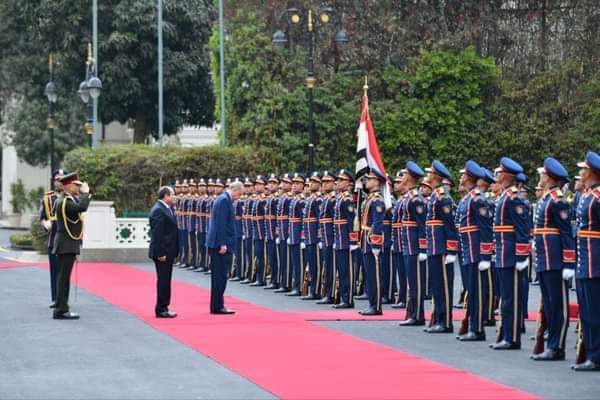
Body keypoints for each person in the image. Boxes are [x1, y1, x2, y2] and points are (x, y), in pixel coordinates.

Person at [530, 157, 574, 361]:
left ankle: (557, 347)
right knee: (549, 305)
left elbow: (566, 234)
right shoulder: (546, 199)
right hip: (545, 260)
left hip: (555, 260)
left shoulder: (558, 201)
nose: (540, 177)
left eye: (542, 174)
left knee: (558, 306)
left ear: (549, 177)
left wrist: (568, 262)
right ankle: (551, 343)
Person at [491, 157, 531, 350]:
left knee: (511, 298)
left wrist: (522, 257)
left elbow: (522, 230)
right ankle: (506, 334)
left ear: (507, 175)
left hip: (511, 256)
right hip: (503, 253)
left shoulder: (513, 198)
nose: (497, 175)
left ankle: (512, 336)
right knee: (505, 298)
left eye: (500, 172)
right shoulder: (505, 196)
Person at [456, 160, 491, 342]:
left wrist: (485, 255)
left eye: (463, 175)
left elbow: (485, 228)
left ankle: (477, 329)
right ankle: (472, 325)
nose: (460, 178)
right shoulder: (468, 198)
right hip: (468, 251)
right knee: (472, 290)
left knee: (477, 292)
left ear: (469, 178)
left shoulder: (477, 199)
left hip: (477, 252)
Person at [571, 151, 600, 371]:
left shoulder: (597, 197)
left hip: (595, 262)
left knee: (595, 312)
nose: (581, 174)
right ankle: (591, 352)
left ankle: (596, 355)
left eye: (584, 170)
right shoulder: (588, 195)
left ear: (592, 172)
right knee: (587, 312)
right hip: (585, 261)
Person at [424, 160, 458, 333]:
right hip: (434, 246)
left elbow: (450, 225)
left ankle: (445, 321)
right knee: (437, 285)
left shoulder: (443, 197)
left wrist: (452, 249)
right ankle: (437, 317)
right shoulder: (435, 195)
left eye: (430, 173)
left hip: (442, 247)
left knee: (444, 285)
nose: (427, 175)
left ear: (436, 176)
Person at [52, 172, 91, 320]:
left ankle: (60, 306)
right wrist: (86, 193)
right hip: (66, 244)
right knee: (63, 278)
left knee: (63, 278)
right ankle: (61, 309)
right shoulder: (65, 201)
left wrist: (83, 195)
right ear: (69, 186)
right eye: (77, 185)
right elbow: (82, 207)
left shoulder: (65, 199)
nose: (79, 187)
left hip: (66, 243)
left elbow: (79, 207)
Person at [398, 161, 427, 326]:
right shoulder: (408, 197)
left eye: (404, 175)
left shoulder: (416, 199)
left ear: (409, 177)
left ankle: (417, 315)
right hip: (408, 246)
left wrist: (423, 248)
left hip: (415, 247)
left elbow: (423, 225)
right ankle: (412, 313)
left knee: (416, 282)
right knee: (412, 282)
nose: (402, 178)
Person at [207, 181, 242, 314]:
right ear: (235, 190)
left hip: (219, 243)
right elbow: (221, 224)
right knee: (220, 276)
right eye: (239, 194)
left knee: (219, 276)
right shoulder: (223, 201)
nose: (238, 197)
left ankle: (217, 305)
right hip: (220, 245)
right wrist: (222, 243)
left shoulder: (223, 199)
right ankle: (218, 306)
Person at [148, 186, 179, 318]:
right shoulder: (159, 210)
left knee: (166, 280)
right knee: (164, 280)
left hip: (168, 251)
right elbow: (157, 234)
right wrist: (160, 253)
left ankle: (164, 306)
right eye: (173, 195)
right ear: (166, 196)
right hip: (163, 253)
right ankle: (161, 308)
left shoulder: (166, 208)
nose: (174, 197)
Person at [359, 170, 386, 316]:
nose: (366, 181)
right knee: (369, 274)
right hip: (365, 239)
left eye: (369, 179)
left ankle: (376, 306)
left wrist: (376, 244)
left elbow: (378, 223)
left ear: (376, 182)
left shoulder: (377, 200)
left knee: (374, 274)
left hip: (371, 240)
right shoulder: (370, 198)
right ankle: (371, 303)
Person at [40, 168, 65, 308]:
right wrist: (45, 223)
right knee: (55, 270)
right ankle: (56, 298)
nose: (60, 181)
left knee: (65, 270)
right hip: (53, 238)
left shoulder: (71, 196)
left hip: (67, 238)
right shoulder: (47, 198)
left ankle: (63, 298)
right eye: (57, 178)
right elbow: (42, 217)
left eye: (62, 178)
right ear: (53, 180)